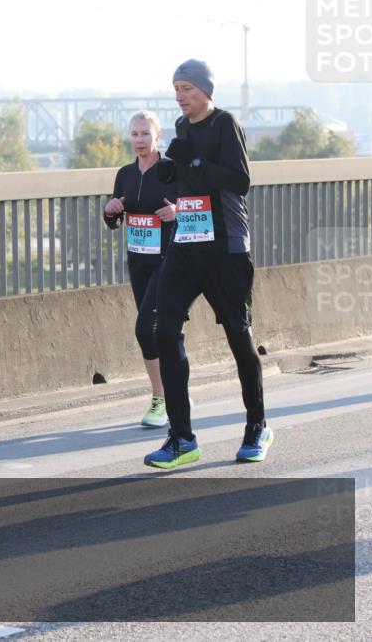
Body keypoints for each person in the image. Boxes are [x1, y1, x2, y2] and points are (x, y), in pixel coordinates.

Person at [144, 59, 271, 469]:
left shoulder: (224, 124)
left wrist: (198, 166)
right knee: (164, 330)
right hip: (187, 244)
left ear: (205, 91)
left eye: (186, 88)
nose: (180, 96)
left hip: (226, 248)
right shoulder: (181, 130)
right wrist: (170, 171)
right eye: (176, 88)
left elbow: (241, 181)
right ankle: (181, 437)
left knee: (238, 336)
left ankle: (257, 426)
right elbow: (182, 181)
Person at [103, 111, 178, 428]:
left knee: (146, 327)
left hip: (168, 261)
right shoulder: (125, 174)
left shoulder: (171, 171)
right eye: (134, 134)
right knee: (161, 332)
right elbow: (115, 220)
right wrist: (110, 211)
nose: (139, 140)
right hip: (138, 261)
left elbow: (191, 209)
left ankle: (161, 399)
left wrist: (176, 212)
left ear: (158, 135)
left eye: (145, 134)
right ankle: (174, 394)